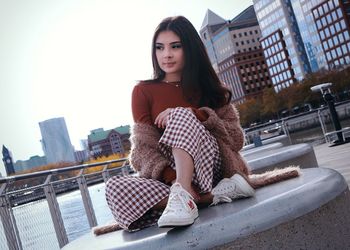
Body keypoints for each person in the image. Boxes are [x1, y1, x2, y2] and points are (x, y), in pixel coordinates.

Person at [99, 16, 299, 234]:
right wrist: (174, 179)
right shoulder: (142, 91)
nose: (166, 54)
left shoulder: (212, 88)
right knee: (115, 188)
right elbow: (142, 151)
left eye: (175, 46)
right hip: (169, 178)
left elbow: (236, 139)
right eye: (160, 47)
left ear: (190, 48)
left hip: (213, 168)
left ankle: (186, 196)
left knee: (180, 116)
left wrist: (198, 115)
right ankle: (202, 197)